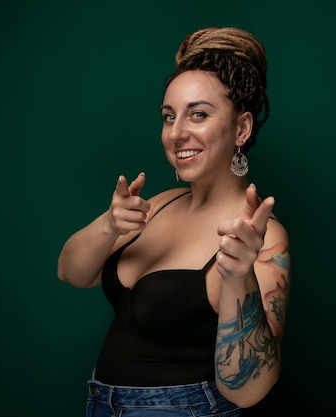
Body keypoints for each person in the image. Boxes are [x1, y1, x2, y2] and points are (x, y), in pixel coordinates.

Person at [57, 26, 291, 417]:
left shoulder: (262, 237)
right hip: (101, 404)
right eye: (169, 117)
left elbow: (248, 391)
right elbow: (71, 273)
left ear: (242, 128)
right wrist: (108, 225)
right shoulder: (160, 203)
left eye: (198, 114)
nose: (177, 133)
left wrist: (238, 275)